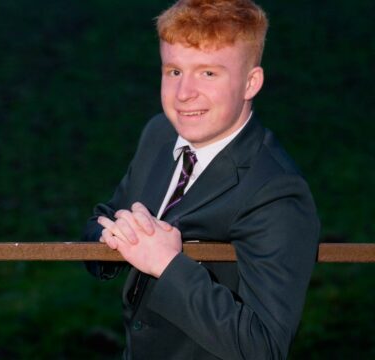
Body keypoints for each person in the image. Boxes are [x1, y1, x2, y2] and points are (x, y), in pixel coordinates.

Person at [82, 0, 319, 359]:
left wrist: (168, 265)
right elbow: (107, 215)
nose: (184, 94)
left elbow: (264, 347)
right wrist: (109, 237)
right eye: (174, 71)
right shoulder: (159, 134)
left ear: (250, 83)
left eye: (208, 73)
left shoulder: (276, 191)